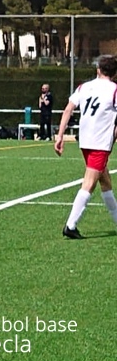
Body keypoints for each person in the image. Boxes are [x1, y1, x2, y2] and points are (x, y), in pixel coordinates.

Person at [54, 55, 117, 239]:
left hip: (85, 141)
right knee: (89, 184)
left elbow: (68, 109)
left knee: (105, 181)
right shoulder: (114, 90)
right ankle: (70, 226)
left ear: (98, 69)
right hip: (100, 144)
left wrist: (60, 136)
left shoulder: (84, 87)